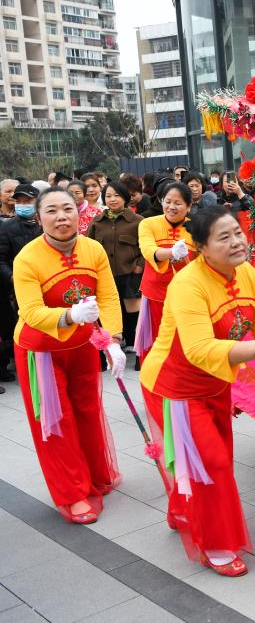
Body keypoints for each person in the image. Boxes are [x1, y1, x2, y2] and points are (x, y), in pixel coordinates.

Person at [139, 206, 255, 576]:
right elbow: (198, 349)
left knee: (211, 457)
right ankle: (215, 545)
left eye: (237, 233)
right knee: (212, 463)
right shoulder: (187, 284)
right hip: (175, 386)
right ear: (201, 248)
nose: (237, 242)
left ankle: (182, 509)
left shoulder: (248, 273)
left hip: (215, 382)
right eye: (224, 237)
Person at [13, 187, 127, 524]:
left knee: (89, 410)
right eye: (51, 211)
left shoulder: (93, 249)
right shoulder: (27, 258)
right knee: (56, 420)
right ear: (39, 218)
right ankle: (73, 492)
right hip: (42, 351)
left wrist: (113, 339)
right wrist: (69, 316)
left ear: (80, 213)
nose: (61, 217)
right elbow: (30, 311)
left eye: (67, 209)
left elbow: (108, 296)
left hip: (82, 345)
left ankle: (95, 474)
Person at [135, 182, 196, 359]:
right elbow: (148, 250)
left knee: (184, 341)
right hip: (156, 293)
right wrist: (171, 253)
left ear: (189, 206)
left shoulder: (197, 226)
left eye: (178, 203)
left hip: (188, 294)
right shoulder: (147, 224)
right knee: (157, 341)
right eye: (167, 201)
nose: (171, 207)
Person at [87, 182, 144, 353]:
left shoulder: (138, 221)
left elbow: (145, 247)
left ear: (125, 198)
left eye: (117, 195)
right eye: (108, 196)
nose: (112, 199)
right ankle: (114, 340)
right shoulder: (97, 222)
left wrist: (139, 266)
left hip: (130, 272)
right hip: (105, 274)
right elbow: (89, 246)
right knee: (110, 308)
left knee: (132, 309)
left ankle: (133, 341)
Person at [0, 183, 42, 383]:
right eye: (20, 201)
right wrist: (13, 278)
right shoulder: (6, 227)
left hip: (47, 282)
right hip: (18, 287)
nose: (23, 205)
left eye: (28, 201)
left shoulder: (45, 224)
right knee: (24, 325)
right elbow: (1, 259)